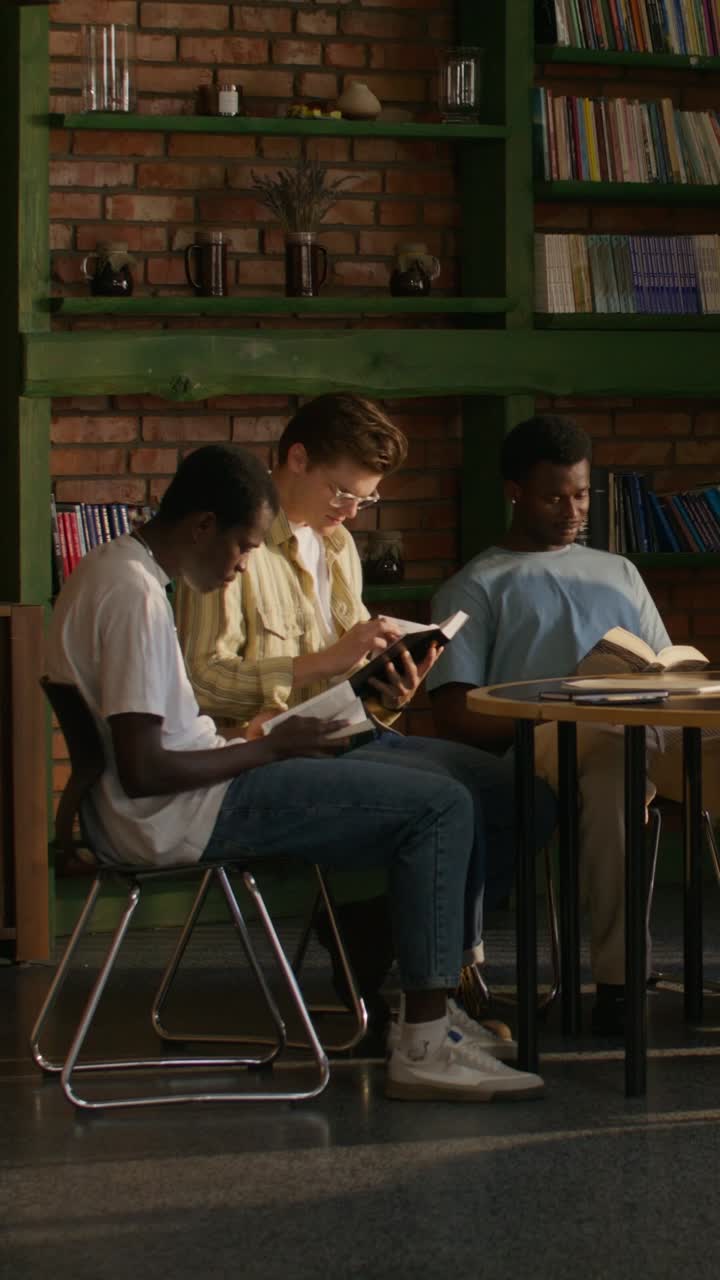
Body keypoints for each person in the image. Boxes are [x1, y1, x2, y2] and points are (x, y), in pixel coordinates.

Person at [45, 442, 544, 1103]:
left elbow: (158, 741)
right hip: (180, 813)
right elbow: (142, 769)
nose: (244, 564)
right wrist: (272, 749)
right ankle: (423, 1043)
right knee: (441, 805)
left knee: (455, 793)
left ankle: (424, 1007)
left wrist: (253, 736)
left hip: (191, 792)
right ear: (201, 526)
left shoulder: (114, 571)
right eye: (245, 547)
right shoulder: (134, 596)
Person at [174, 395, 557, 1039]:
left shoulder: (339, 547)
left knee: (526, 796)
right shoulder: (230, 541)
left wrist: (395, 684)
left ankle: (394, 946)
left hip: (350, 732)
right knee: (447, 801)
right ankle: (418, 996)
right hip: (273, 747)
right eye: (342, 493)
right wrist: (327, 659)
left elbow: (352, 676)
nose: (350, 512)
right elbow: (203, 680)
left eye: (365, 501)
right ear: (295, 459)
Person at [426, 413, 720, 1035]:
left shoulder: (619, 572)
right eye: (553, 495)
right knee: (613, 756)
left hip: (647, 730)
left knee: (634, 746)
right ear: (514, 491)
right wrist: (557, 709)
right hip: (547, 743)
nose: (571, 509)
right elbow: (452, 714)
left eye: (581, 493)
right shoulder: (477, 584)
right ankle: (619, 981)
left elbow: (666, 669)